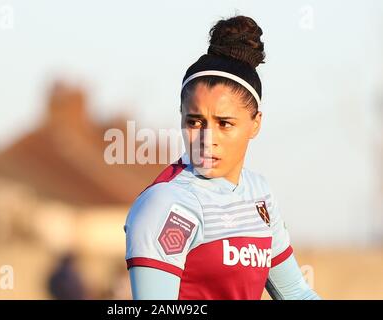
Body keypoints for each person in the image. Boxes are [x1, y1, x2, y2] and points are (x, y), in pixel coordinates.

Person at [124, 15, 320, 300]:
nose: (207, 139)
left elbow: (297, 294)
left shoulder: (259, 193)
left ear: (255, 123)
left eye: (224, 124)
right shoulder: (167, 204)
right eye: (194, 122)